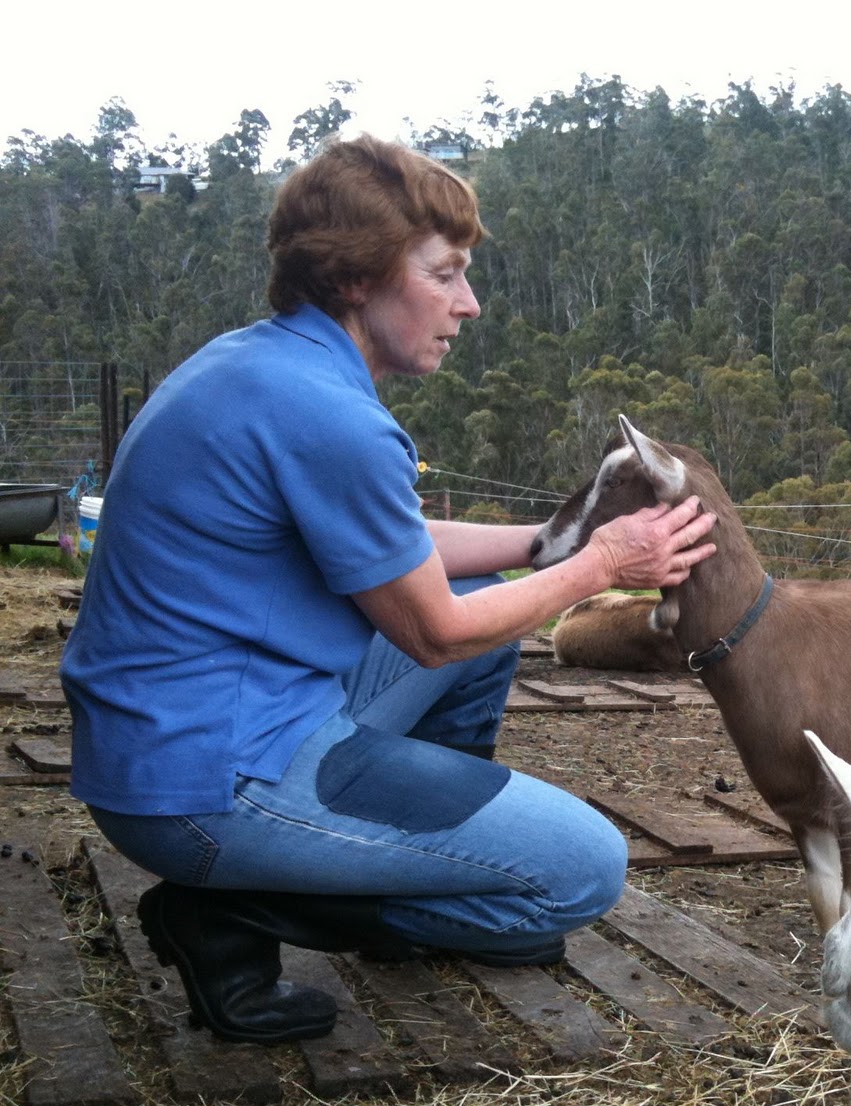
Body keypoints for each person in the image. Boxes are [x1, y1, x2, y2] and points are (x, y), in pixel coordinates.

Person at [59, 134, 716, 1045]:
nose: (469, 303)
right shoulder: (331, 418)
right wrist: (599, 567)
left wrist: (541, 543)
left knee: (487, 581)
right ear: (358, 279)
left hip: (188, 731)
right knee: (578, 878)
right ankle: (237, 913)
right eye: (445, 275)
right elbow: (436, 633)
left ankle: (413, 855)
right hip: (206, 787)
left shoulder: (263, 366)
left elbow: (401, 551)